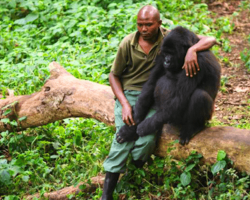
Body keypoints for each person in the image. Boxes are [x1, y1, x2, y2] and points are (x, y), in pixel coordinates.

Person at [101, 5, 217, 200]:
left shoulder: (194, 59)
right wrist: (135, 119)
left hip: (194, 108)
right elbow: (150, 84)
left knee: (197, 98)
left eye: (148, 24)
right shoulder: (156, 45)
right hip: (143, 97)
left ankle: (193, 128)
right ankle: (107, 193)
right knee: (128, 133)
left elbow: (180, 100)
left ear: (159, 24)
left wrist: (143, 126)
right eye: (140, 25)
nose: (167, 60)